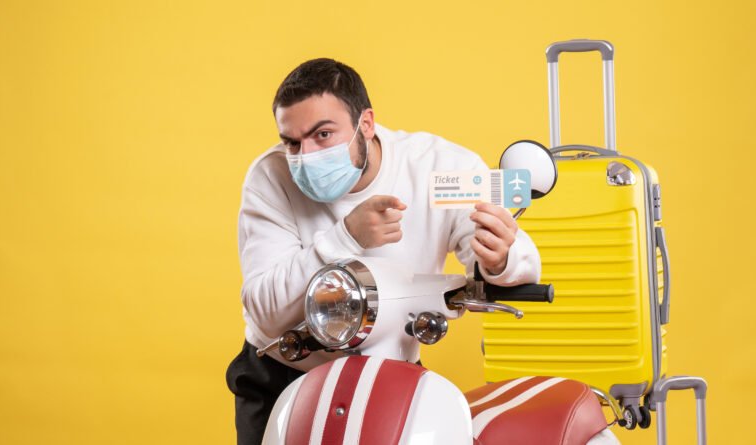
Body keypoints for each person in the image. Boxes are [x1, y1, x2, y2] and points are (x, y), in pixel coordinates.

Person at [225, 58, 541, 445]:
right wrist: (346, 236)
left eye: (323, 134)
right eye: (292, 142)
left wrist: (500, 259)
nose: (306, 155)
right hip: (285, 371)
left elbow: (516, 259)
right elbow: (265, 308)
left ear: (366, 124)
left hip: (390, 369)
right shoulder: (270, 176)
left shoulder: (440, 166)